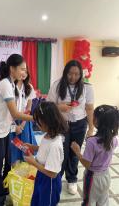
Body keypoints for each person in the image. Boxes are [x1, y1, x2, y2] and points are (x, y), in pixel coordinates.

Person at [0, 54, 33, 206]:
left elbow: (12, 113)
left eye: (25, 69)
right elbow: (15, 113)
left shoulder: (12, 84)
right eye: (21, 69)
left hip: (5, 130)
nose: (24, 72)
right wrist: (37, 119)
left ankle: (5, 188)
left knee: (7, 163)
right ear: (12, 69)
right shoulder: (5, 84)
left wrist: (18, 126)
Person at [47, 60, 94, 194]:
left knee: (74, 152)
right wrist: (59, 107)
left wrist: (91, 128)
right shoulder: (57, 85)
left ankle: (72, 179)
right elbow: (48, 106)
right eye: (70, 74)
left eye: (76, 74)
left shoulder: (87, 87)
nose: (73, 77)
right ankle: (56, 179)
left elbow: (89, 108)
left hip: (79, 124)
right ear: (65, 72)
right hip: (61, 124)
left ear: (81, 75)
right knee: (61, 152)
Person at [71, 105, 119, 206]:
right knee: (103, 200)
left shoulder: (92, 142)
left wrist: (77, 152)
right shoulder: (114, 139)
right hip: (106, 175)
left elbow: (87, 164)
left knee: (89, 201)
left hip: (93, 177)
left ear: (96, 121)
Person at [25, 101, 68, 206]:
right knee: (36, 200)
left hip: (49, 182)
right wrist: (33, 147)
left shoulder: (55, 145)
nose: (36, 124)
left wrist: (33, 162)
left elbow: (53, 174)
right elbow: (45, 148)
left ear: (47, 122)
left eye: (38, 122)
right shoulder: (48, 135)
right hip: (41, 174)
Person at [9, 63, 37, 164]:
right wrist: (15, 126)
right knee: (14, 149)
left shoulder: (29, 87)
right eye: (22, 70)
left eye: (26, 71)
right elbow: (8, 110)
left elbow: (28, 108)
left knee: (25, 149)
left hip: (25, 122)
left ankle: (25, 176)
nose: (24, 73)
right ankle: (14, 175)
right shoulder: (10, 86)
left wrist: (22, 125)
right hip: (11, 122)